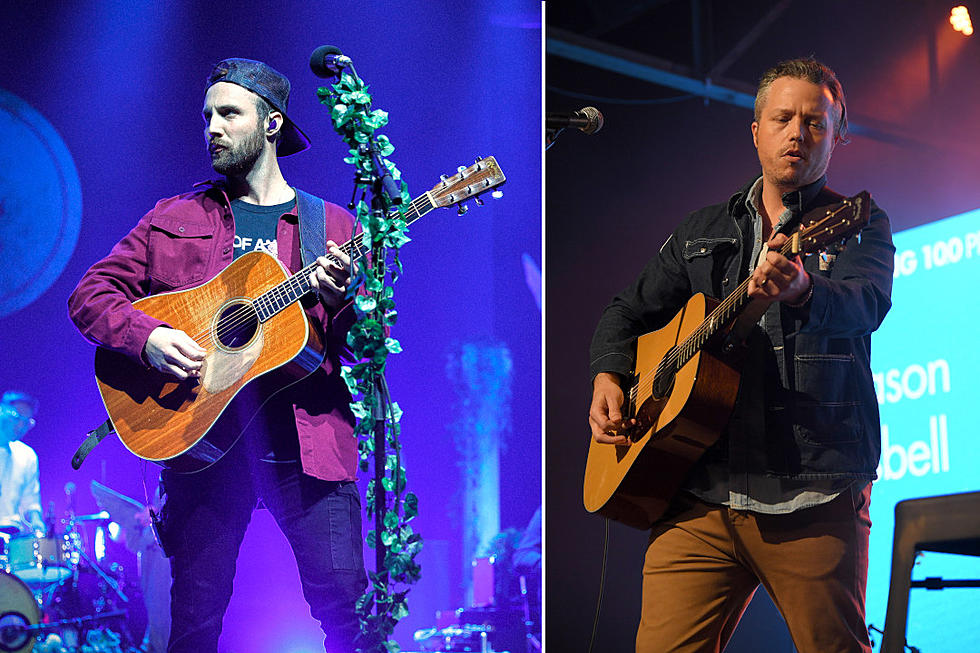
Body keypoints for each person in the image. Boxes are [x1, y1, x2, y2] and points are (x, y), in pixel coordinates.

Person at [588, 57, 895, 653]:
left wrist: (804, 289)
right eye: (782, 118)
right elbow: (625, 312)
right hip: (699, 496)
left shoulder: (857, 222)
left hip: (813, 494)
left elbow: (866, 307)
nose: (797, 133)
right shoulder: (702, 230)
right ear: (756, 130)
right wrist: (607, 374)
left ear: (837, 136)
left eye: (815, 122)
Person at [68, 58, 366, 653]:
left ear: (273, 123)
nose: (213, 127)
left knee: (346, 614)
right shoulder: (176, 217)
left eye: (230, 114)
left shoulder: (330, 225)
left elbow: (364, 347)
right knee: (195, 626)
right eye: (208, 115)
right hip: (199, 440)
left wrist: (343, 302)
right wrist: (146, 337)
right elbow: (90, 294)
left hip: (304, 443)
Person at [0, 390, 46, 536]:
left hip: (11, 533)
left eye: (27, 422)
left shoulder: (27, 456)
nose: (21, 426)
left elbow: (30, 500)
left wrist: (37, 521)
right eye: (17, 417)